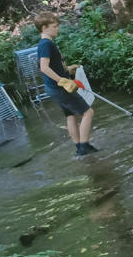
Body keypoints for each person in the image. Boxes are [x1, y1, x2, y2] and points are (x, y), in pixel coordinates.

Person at [35, 12, 98, 157]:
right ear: (44, 28)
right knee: (88, 112)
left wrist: (68, 69)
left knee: (70, 116)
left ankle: (78, 147)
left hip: (54, 88)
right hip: (59, 87)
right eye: (54, 26)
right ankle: (84, 146)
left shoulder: (46, 43)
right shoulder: (46, 44)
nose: (57, 29)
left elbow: (52, 65)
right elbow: (43, 67)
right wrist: (62, 81)